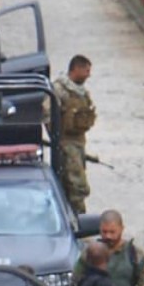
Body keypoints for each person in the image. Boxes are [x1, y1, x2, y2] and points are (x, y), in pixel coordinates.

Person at [53, 55, 97, 212]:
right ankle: (79, 217)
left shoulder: (82, 92)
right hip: (66, 145)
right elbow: (47, 114)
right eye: (86, 70)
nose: (88, 74)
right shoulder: (59, 90)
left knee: (73, 183)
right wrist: (56, 138)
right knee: (77, 185)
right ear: (76, 69)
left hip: (78, 143)